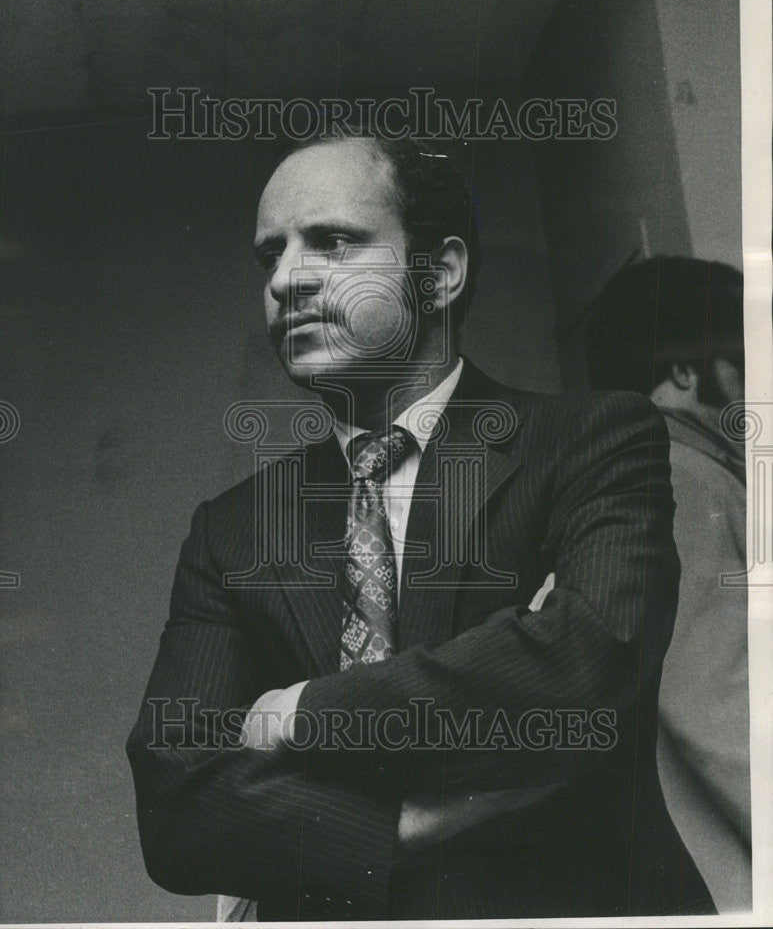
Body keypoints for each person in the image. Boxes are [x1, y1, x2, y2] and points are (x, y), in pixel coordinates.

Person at [127, 136, 712, 920]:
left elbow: (587, 664)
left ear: (438, 274)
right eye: (271, 255)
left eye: (332, 242)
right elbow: (176, 805)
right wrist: (416, 822)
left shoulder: (593, 439)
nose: (286, 279)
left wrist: (299, 712)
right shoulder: (230, 531)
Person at [586, 256, 750, 911]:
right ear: (684, 371)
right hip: (731, 868)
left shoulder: (683, 467)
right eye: (747, 354)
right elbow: (721, 709)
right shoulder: (677, 477)